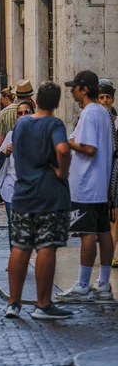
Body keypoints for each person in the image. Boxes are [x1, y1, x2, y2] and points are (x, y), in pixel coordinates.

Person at [5, 82, 73, 320]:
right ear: (55, 103)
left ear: (36, 100)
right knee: (46, 246)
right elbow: (63, 150)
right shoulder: (53, 123)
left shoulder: (21, 123)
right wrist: (62, 172)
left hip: (23, 194)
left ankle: (13, 302)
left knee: (21, 246)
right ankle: (43, 303)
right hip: (48, 194)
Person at [56, 70, 114, 301]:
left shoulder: (90, 113)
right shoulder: (102, 112)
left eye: (75, 88)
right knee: (103, 232)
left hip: (86, 186)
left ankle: (83, 284)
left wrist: (69, 144)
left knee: (87, 233)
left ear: (85, 89)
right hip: (100, 183)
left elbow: (89, 148)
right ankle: (104, 282)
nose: (71, 92)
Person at [0, 101, 35, 250]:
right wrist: (5, 151)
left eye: (26, 112)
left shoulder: (38, 135)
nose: (23, 115)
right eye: (20, 113)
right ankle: (14, 258)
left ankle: (25, 256)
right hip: (11, 187)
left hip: (30, 188)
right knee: (12, 224)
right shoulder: (11, 135)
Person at [97, 81, 118, 267]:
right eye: (102, 97)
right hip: (99, 174)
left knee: (114, 215)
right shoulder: (91, 120)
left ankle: (111, 255)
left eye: (108, 97)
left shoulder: (116, 122)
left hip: (115, 174)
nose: (105, 101)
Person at [0, 79, 34, 148]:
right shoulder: (34, 112)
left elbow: (0, 141)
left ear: (16, 94)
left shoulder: (4, 112)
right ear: (30, 96)